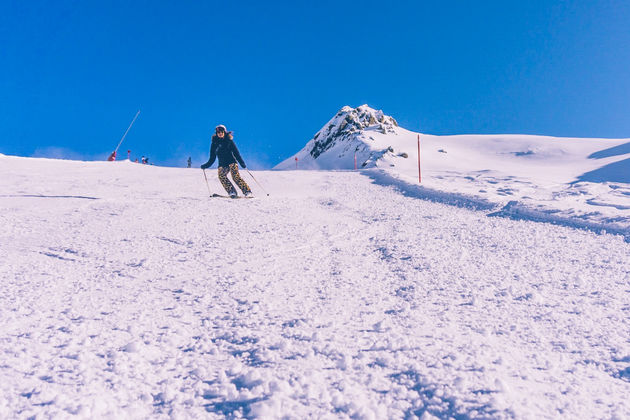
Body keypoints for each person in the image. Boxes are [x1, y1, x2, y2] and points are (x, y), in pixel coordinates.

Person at [201, 124, 252, 198]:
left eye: (221, 132)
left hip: (232, 162)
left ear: (224, 132)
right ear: (216, 133)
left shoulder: (229, 141)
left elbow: (236, 153)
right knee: (221, 176)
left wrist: (242, 163)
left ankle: (247, 191)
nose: (220, 133)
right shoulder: (214, 143)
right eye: (218, 132)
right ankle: (232, 192)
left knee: (235, 176)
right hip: (222, 164)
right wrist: (206, 165)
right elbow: (212, 158)